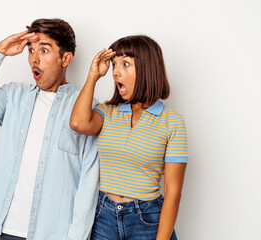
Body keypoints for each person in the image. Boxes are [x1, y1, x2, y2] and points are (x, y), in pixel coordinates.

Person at [0, 18, 99, 240]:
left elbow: (89, 181)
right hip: (7, 231)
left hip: (55, 235)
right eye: (31, 50)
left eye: (44, 50)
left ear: (65, 58)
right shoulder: (13, 96)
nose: (34, 58)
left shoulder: (86, 109)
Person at [69, 35, 188, 240]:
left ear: (147, 68)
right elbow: (78, 123)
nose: (116, 71)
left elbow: (172, 193)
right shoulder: (107, 111)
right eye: (115, 64)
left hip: (147, 219)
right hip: (103, 216)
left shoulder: (173, 121)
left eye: (125, 64)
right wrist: (93, 76)